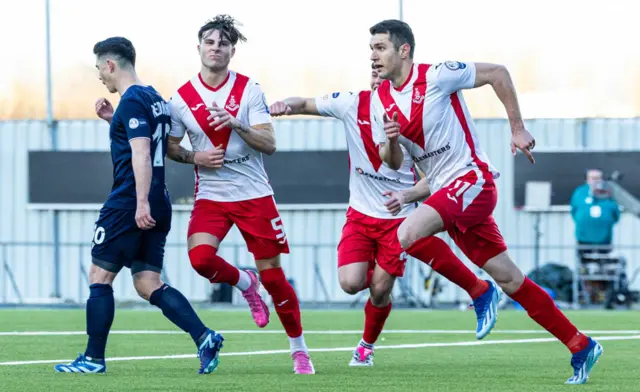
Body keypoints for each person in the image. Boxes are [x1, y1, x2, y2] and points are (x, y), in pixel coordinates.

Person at [368, 19, 603, 384]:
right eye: (371, 49)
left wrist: (517, 127)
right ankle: (580, 344)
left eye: (380, 47)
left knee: (405, 233)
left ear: (404, 50)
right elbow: (392, 160)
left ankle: (479, 291)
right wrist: (393, 142)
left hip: (472, 180)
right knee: (512, 279)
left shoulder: (438, 75)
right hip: (447, 193)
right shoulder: (379, 98)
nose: (373, 55)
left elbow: (498, 73)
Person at [269, 65, 499, 367]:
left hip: (399, 218)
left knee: (380, 290)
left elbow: (422, 171)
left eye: (386, 77)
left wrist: (406, 186)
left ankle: (366, 346)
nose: (381, 82)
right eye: (376, 75)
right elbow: (306, 103)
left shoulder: (413, 113)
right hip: (361, 216)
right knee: (350, 283)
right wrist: (284, 106)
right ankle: (384, 270)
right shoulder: (351, 103)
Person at [54, 37, 223, 375]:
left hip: (131, 202)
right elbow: (145, 137)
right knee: (147, 283)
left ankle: (92, 359)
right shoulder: (154, 98)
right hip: (160, 201)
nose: (100, 76)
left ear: (110, 65)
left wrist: (140, 203)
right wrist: (112, 119)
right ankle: (204, 336)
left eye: (100, 68)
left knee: (100, 277)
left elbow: (142, 151)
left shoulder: (132, 100)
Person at [166, 15, 314, 374]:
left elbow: (270, 143)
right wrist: (195, 156)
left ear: (233, 50)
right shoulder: (181, 97)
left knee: (276, 279)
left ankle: (299, 349)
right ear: (199, 47)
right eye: (209, 42)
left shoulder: (249, 90)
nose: (215, 48)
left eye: (223, 43)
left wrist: (236, 123)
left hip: (253, 195)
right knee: (200, 260)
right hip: (212, 196)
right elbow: (171, 147)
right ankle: (246, 282)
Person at [570, 169, 620, 257]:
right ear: (587, 180)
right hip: (584, 239)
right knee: (584, 266)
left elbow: (615, 213)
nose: (595, 181)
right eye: (593, 178)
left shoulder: (608, 192)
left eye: (598, 178)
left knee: (604, 265)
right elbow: (574, 211)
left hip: (604, 239)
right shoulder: (580, 192)